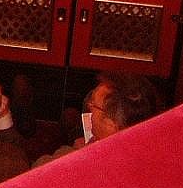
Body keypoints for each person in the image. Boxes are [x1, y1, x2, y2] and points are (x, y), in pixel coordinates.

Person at [32, 71, 160, 166]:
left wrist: (78, 152)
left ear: (110, 124)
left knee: (68, 118)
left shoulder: (79, 163)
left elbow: (36, 171)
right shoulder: (151, 158)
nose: (89, 106)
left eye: (93, 105)